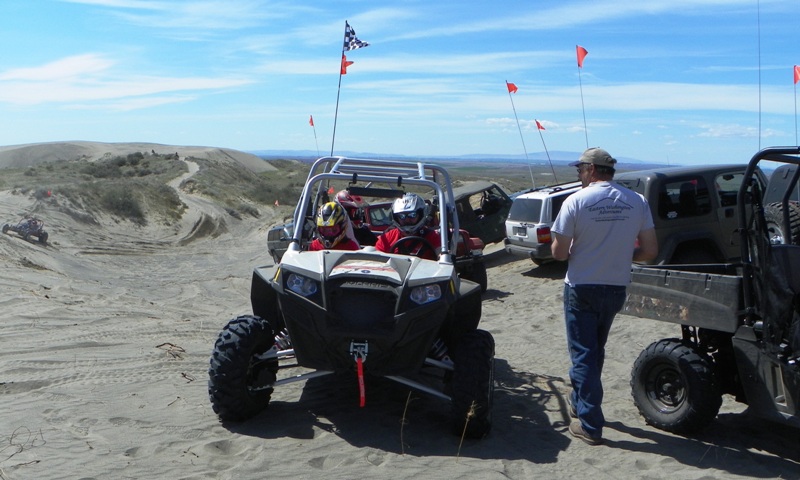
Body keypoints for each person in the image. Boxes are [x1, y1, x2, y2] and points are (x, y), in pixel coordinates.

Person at [551, 147, 658, 446]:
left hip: (582, 286)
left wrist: (583, 251)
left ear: (591, 169)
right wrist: (621, 253)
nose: (578, 174)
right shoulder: (636, 201)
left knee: (584, 354)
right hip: (615, 286)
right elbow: (650, 251)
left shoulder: (576, 201)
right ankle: (581, 402)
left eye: (580, 169)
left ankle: (589, 424)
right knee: (594, 351)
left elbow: (559, 253)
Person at [375, 192, 441, 260]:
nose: (407, 219)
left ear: (421, 215)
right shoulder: (387, 238)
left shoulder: (433, 236)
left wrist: (441, 255)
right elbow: (376, 261)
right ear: (396, 217)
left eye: (412, 215)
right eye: (401, 216)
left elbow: (440, 253)